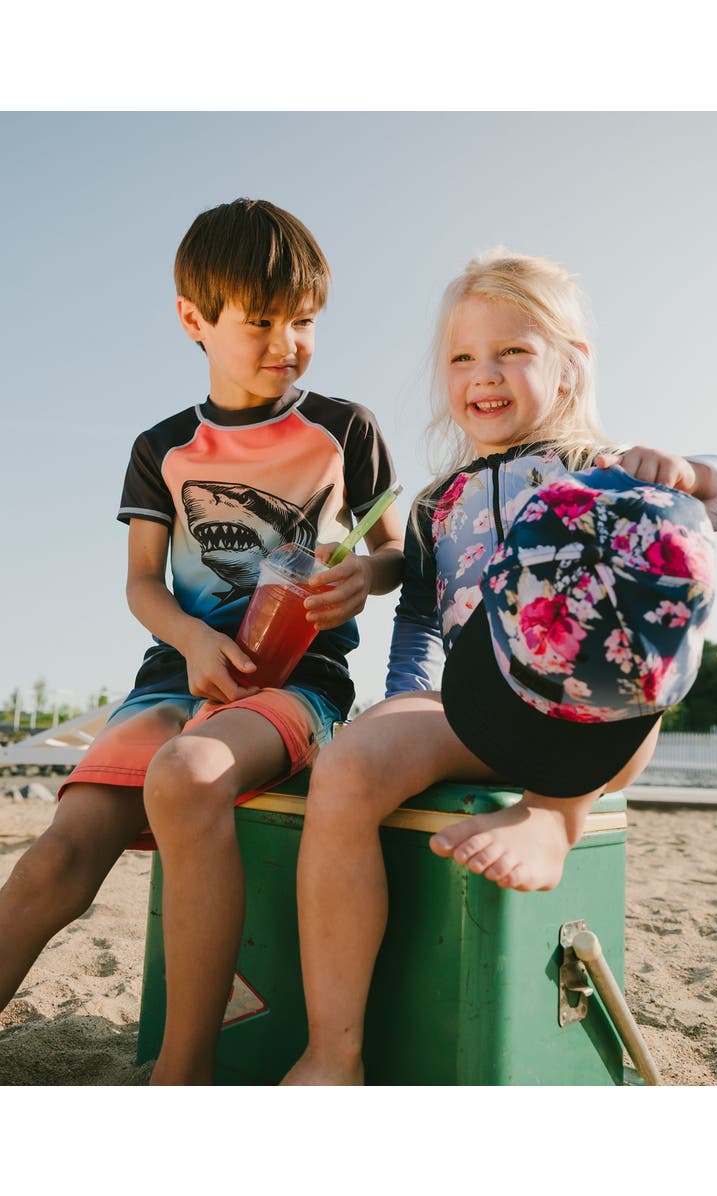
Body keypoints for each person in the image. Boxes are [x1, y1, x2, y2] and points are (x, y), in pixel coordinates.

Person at [282, 248, 717, 1086]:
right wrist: (404, 704)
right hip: (472, 710)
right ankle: (333, 1051)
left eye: (513, 351)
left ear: (572, 366)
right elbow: (422, 616)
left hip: (591, 723)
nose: (483, 374)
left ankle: (554, 820)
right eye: (463, 357)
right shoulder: (436, 505)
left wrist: (692, 474)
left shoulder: (602, 474)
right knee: (349, 765)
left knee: (619, 672)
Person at [0, 198, 404, 1085]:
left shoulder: (346, 429)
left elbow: (393, 550)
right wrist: (188, 639)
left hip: (298, 688)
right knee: (63, 849)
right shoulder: (163, 447)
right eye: (259, 320)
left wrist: (362, 580)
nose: (285, 341)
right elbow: (143, 582)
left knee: (184, 777)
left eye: (303, 321)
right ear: (195, 319)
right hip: (173, 677)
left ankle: (179, 1078)